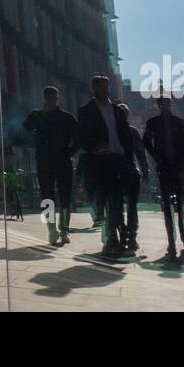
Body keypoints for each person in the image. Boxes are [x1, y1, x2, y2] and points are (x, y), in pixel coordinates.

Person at [76, 75, 134, 256]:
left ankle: (118, 236)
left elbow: (126, 136)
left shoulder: (117, 110)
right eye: (101, 87)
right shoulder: (86, 111)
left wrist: (128, 157)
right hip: (100, 161)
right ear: (94, 89)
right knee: (107, 201)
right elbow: (82, 136)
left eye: (106, 87)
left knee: (116, 201)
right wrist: (93, 148)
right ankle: (113, 238)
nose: (105, 90)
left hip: (117, 159)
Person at [143, 94, 184, 261]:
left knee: (180, 203)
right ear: (159, 105)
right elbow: (146, 141)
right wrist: (156, 155)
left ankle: (183, 235)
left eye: (166, 103)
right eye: (162, 104)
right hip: (165, 167)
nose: (164, 106)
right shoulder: (153, 123)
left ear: (169, 104)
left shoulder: (179, 123)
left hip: (178, 167)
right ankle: (172, 239)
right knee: (168, 204)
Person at [23, 87, 78, 245]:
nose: (51, 101)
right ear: (44, 98)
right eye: (48, 98)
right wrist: (43, 114)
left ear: (58, 98)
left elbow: (78, 137)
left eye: (53, 98)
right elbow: (26, 126)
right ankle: (52, 229)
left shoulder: (67, 117)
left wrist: (69, 153)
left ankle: (65, 230)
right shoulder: (37, 115)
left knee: (65, 196)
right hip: (44, 161)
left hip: (62, 160)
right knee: (47, 196)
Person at [115, 101, 148, 252]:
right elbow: (141, 154)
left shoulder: (114, 131)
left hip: (118, 173)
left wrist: (145, 170)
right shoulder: (132, 131)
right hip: (130, 171)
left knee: (119, 207)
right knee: (131, 207)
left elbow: (140, 153)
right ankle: (131, 237)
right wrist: (145, 170)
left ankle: (124, 236)